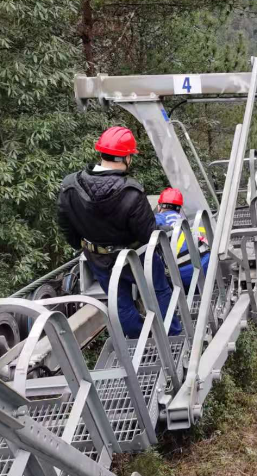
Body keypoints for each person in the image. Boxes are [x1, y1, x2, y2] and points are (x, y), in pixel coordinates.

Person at [58, 126, 182, 338]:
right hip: (133, 256)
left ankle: (137, 337)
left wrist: (82, 245)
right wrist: (165, 232)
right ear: (126, 158)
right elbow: (148, 235)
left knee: (119, 299)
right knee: (159, 289)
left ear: (101, 153)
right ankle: (173, 333)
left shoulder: (70, 186)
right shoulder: (131, 193)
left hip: (97, 256)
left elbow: (65, 225)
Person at [154, 188, 210, 292]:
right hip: (207, 267)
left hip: (184, 277)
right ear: (179, 209)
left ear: (159, 206)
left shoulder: (156, 220)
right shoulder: (183, 220)